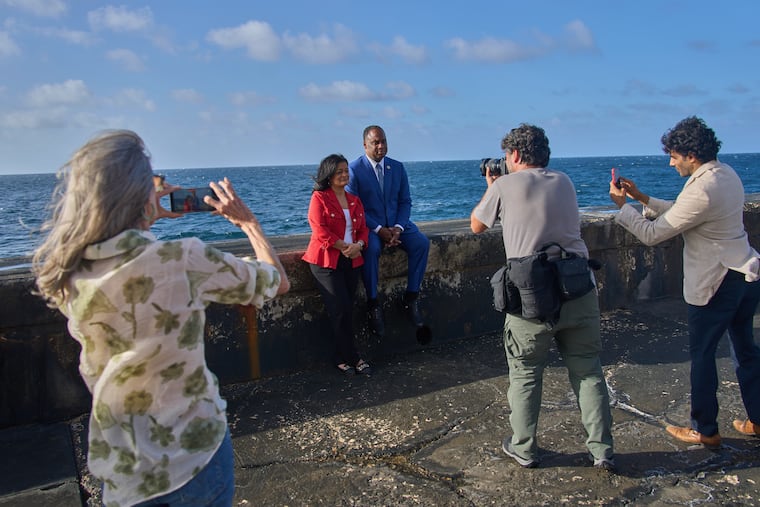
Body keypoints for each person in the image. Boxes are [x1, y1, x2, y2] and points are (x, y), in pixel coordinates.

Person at [32, 129, 290, 506]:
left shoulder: (68, 274)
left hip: (125, 471)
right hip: (195, 458)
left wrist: (144, 213)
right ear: (142, 195)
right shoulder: (180, 259)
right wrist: (247, 222)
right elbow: (276, 281)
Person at [470, 123, 615, 470]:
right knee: (588, 373)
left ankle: (524, 448)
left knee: (525, 374)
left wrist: (492, 187)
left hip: (531, 296)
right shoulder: (563, 181)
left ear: (516, 155)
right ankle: (602, 451)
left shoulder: (504, 184)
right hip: (578, 287)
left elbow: (477, 225)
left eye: (507, 155)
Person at [609, 116, 760, 447]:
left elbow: (651, 235)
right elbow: (683, 210)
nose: (670, 161)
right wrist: (643, 198)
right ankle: (757, 419)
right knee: (746, 350)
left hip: (716, 281)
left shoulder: (703, 187)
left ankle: (705, 430)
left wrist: (623, 208)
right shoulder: (725, 174)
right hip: (744, 273)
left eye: (674, 155)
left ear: (690, 154)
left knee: (703, 355)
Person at [347, 125, 430, 336]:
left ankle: (411, 298)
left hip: (397, 225)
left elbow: (405, 201)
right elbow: (354, 207)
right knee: (371, 250)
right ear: (365, 145)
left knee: (421, 243)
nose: (381, 146)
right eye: (376, 142)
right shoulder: (354, 169)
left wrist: (399, 228)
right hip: (371, 227)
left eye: (383, 141)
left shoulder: (398, 168)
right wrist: (378, 229)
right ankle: (373, 304)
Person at [302, 154, 372, 375]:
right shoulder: (319, 198)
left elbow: (363, 229)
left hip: (351, 260)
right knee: (339, 310)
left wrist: (359, 245)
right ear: (329, 175)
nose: (344, 174)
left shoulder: (354, 200)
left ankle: (342, 356)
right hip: (326, 261)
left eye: (346, 170)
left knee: (348, 309)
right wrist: (344, 246)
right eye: (339, 171)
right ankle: (351, 357)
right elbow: (320, 230)